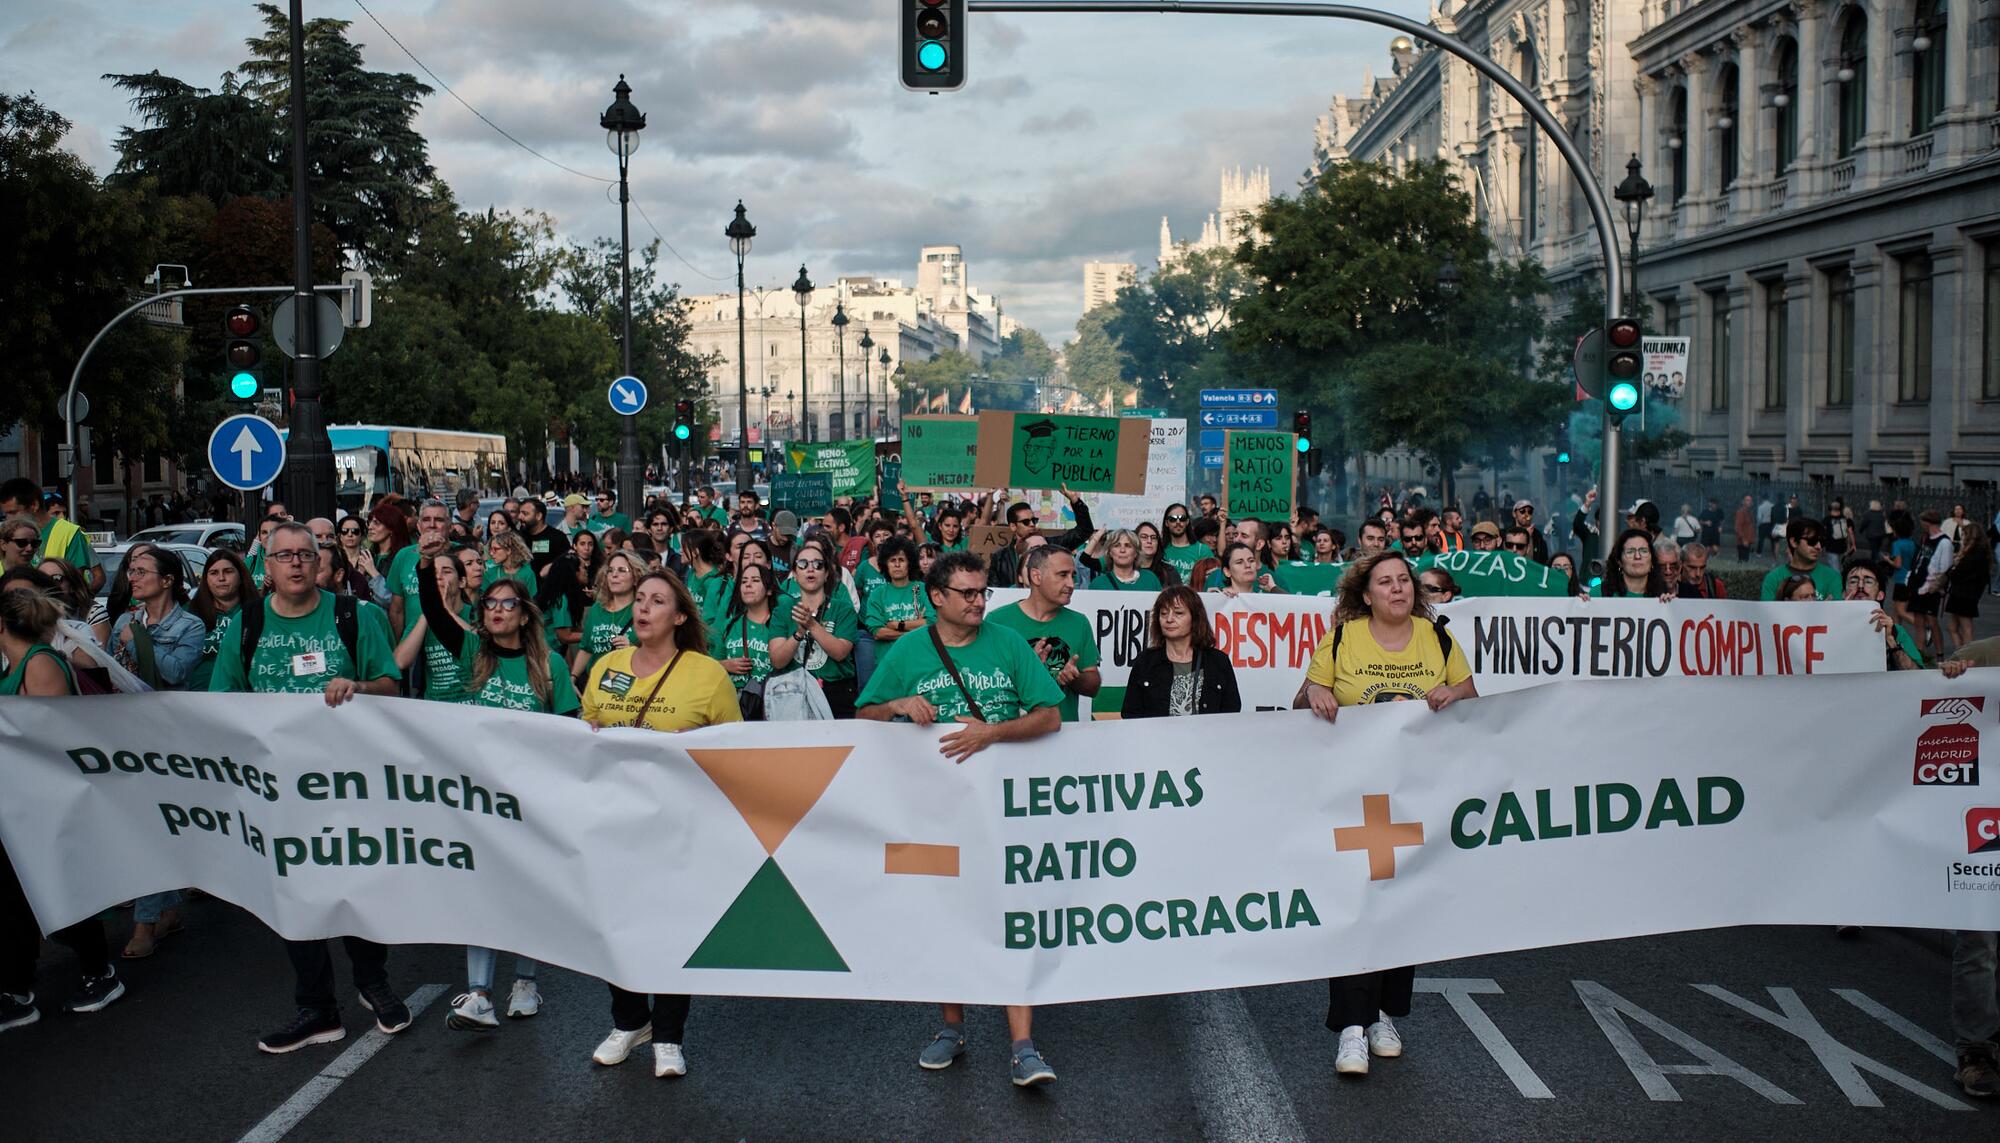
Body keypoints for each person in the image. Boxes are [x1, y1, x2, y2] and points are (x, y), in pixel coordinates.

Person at [856, 551, 1064, 1086]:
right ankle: (951, 1028)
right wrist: (900, 705)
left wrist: (989, 733)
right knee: (944, 916)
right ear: (937, 598)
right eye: (967, 594)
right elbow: (863, 715)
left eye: (982, 593)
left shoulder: (1008, 643)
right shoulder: (908, 650)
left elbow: (1050, 714)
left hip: (1005, 812)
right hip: (933, 811)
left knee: (1013, 918)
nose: (978, 603)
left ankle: (1024, 1045)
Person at [207, 522, 409, 1053]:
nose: (296, 563)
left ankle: (373, 981)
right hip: (276, 791)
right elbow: (222, 703)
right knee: (294, 897)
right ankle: (317, 1009)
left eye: (305, 554)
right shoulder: (245, 625)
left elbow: (390, 687)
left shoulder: (354, 616)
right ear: (267, 567)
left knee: (356, 884)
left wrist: (358, 686)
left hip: (347, 785)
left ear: (320, 562)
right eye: (284, 556)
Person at [1296, 551, 1474, 1077]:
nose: (1397, 589)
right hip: (1354, 794)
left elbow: (1470, 691)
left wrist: (1454, 690)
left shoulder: (1436, 637)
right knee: (1357, 900)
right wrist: (1319, 691)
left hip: (1415, 795)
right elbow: (1308, 693)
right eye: (1385, 582)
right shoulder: (1343, 638)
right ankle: (1352, 1027)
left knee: (1398, 902)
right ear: (1366, 593)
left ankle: (1379, 1017)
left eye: (1404, 581)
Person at [578, 569, 741, 1077]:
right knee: (614, 924)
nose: (643, 608)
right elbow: (585, 733)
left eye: (657, 601)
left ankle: (668, 1035)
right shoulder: (606, 666)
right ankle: (629, 1021)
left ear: (679, 616)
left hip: (678, 827)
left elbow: (733, 751)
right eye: (640, 599)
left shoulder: (706, 673)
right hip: (613, 821)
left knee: (673, 928)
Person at [417, 560, 577, 1032]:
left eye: (508, 603)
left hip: (532, 800)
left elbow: (569, 731)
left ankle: (525, 983)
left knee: (527, 893)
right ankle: (480, 993)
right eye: (490, 603)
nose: (498, 611)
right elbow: (435, 611)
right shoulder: (472, 652)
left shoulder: (550, 666)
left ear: (524, 614)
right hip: (481, 800)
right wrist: (429, 565)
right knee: (482, 892)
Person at [0, 567, 127, 1028]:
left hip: (46, 804)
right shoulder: (15, 666)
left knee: (60, 892)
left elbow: (54, 740)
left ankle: (100, 970)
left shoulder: (40, 664)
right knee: (13, 901)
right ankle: (15, 988)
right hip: (15, 805)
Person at [988, 546, 1102, 723]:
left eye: (1073, 576)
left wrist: (1074, 678)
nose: (1071, 584)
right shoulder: (998, 620)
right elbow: (985, 685)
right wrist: (1025, 670)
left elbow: (1093, 686)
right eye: (1062, 575)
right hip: (1012, 737)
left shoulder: (1079, 623)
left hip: (1064, 738)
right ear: (1036, 576)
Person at [1120, 586, 1241, 717]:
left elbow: (1231, 713)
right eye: (1163, 613)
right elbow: (1130, 713)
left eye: (1178, 613)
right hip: (1156, 737)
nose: (1169, 619)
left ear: (1195, 618)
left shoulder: (1218, 661)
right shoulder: (1145, 661)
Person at [776, 536, 859, 717]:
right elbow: (777, 660)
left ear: (827, 573)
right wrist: (799, 633)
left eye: (818, 564)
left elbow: (840, 653)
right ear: (795, 575)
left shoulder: (843, 609)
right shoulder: (783, 609)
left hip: (836, 692)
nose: (810, 569)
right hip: (792, 691)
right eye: (803, 564)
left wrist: (811, 625)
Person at [108, 545, 204, 692]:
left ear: (167, 580)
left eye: (141, 572)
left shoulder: (191, 625)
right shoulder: (125, 621)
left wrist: (136, 641)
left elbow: (176, 674)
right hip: (124, 708)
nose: (132, 578)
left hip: (167, 709)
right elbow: (108, 669)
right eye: (131, 571)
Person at [710, 564, 794, 708]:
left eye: (755, 580)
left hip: (773, 704)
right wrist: (725, 665)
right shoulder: (729, 624)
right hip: (733, 705)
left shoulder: (780, 625)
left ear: (768, 590)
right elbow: (711, 666)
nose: (748, 585)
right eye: (743, 581)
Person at [0, 478, 101, 592]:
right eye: (6, 514)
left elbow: (75, 587)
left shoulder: (69, 533)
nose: (8, 519)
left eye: (13, 512)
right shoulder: (4, 536)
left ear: (34, 505)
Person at [187, 549, 257, 693]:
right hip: (196, 698)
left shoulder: (258, 611)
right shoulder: (190, 612)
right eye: (213, 573)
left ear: (241, 575)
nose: (221, 578)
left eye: (228, 571)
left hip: (245, 698)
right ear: (206, 578)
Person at [1759, 518, 1840, 601]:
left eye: (1822, 542)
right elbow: (1767, 613)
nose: (1818, 547)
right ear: (1794, 542)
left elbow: (1837, 612)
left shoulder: (1832, 577)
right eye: (1812, 541)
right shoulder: (1773, 579)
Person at [1944, 523, 1990, 654]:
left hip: (1964, 594)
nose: (1962, 537)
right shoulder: (1980, 552)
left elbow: (1958, 574)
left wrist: (1955, 565)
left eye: (1964, 534)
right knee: (1953, 626)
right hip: (1965, 594)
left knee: (1965, 627)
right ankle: (1962, 654)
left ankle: (1968, 657)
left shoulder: (1973, 554)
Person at [1085, 528, 1162, 592]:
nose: (1122, 550)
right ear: (1110, 552)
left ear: (1136, 552)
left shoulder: (1150, 579)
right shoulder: (1098, 584)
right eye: (1117, 546)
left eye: (1128, 546)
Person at [1599, 528, 1669, 598]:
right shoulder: (1599, 593)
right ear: (1619, 561)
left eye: (1644, 551)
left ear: (1652, 560)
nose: (1637, 556)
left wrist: (1669, 605)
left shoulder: (1663, 594)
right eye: (1630, 552)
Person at [513, 498, 571, 582]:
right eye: (520, 513)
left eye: (525, 514)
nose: (520, 517)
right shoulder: (517, 537)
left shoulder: (557, 537)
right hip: (523, 588)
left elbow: (566, 564)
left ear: (538, 516)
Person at [1159, 503, 1206, 583]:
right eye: (1173, 519)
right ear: (1166, 523)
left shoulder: (1202, 550)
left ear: (1187, 522)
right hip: (1167, 594)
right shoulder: (1159, 550)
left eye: (1182, 518)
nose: (1178, 522)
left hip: (1193, 595)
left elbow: (1214, 578)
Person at [483, 530, 538, 596]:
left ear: (508, 550)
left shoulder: (527, 573)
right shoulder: (489, 573)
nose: (491, 553)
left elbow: (531, 602)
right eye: (491, 549)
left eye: (496, 549)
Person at [1212, 541, 1277, 597]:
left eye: (1251, 560)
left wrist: (1273, 588)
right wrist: (1211, 598)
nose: (1248, 565)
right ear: (1227, 572)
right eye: (1239, 562)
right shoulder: (1217, 596)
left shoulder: (1264, 600)